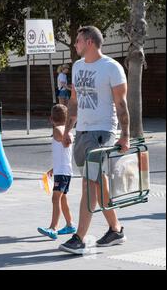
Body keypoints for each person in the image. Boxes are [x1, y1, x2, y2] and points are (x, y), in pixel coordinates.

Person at [59, 26, 130, 255]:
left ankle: (79, 238)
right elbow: (73, 100)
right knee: (99, 184)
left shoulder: (112, 68)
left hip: (102, 132)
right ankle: (115, 229)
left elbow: (121, 105)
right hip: (82, 132)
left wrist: (125, 135)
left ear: (89, 42)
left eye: (78, 41)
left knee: (88, 184)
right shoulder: (78, 67)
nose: (75, 45)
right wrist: (68, 129)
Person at [37, 104, 77, 240]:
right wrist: (54, 169)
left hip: (63, 172)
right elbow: (63, 153)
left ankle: (53, 228)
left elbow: (65, 142)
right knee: (63, 198)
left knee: (55, 199)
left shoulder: (58, 130)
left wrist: (66, 139)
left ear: (51, 119)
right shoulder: (66, 130)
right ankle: (70, 224)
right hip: (64, 171)